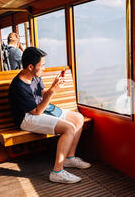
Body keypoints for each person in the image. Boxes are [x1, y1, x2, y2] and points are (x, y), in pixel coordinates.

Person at [8, 47, 91, 184]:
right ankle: (57, 172)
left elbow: (42, 95)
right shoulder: (19, 86)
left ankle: (69, 158)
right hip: (26, 118)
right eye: (42, 65)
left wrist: (53, 86)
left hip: (40, 109)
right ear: (30, 66)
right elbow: (36, 112)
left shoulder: (35, 77)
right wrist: (52, 91)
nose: (44, 68)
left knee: (78, 118)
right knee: (69, 128)